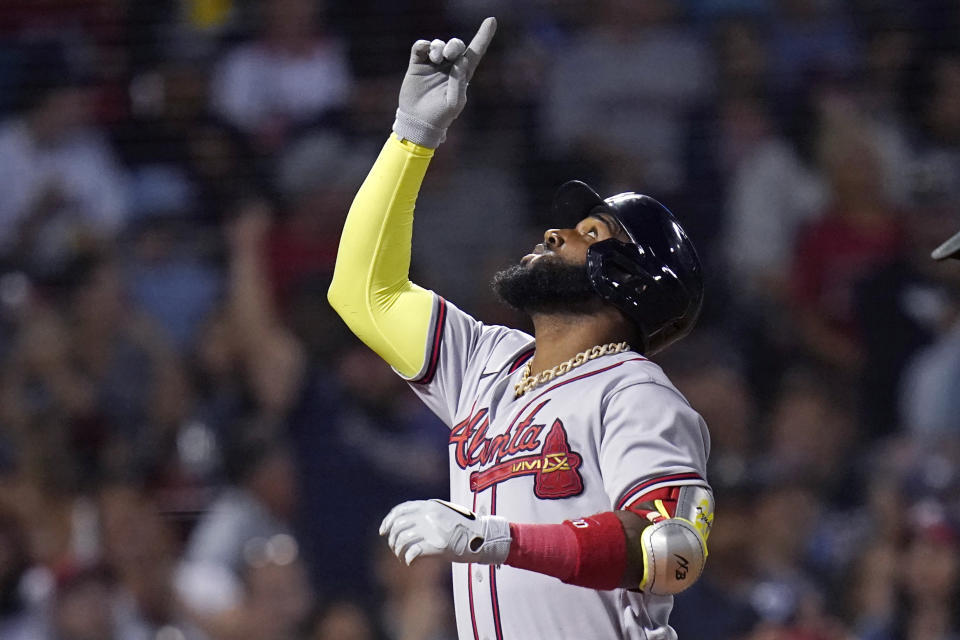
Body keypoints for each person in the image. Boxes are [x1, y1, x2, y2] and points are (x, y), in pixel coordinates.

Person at [328, 18, 714, 639]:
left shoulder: (637, 393)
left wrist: (490, 539)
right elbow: (362, 292)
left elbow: (671, 551)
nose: (553, 234)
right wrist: (413, 136)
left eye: (590, 233)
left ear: (630, 283)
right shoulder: (488, 361)